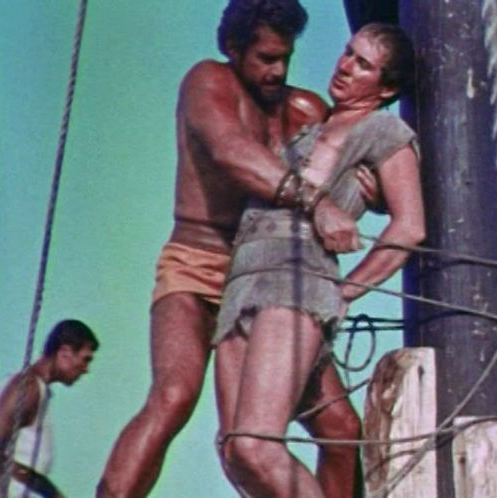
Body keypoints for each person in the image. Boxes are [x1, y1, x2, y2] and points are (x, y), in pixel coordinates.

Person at [97, 2, 371, 497]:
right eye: (266, 58)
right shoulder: (207, 83)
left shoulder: (304, 110)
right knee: (175, 395)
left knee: (341, 429)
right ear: (233, 48)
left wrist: (378, 177)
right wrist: (317, 201)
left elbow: (360, 153)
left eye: (286, 58)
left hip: (272, 279)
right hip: (198, 265)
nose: (278, 71)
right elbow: (231, 152)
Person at [215, 22, 425, 498]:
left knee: (255, 445)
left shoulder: (384, 131)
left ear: (385, 89)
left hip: (296, 281)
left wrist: (346, 290)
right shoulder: (311, 128)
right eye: (349, 53)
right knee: (234, 454)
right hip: (244, 278)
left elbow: (410, 226)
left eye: (364, 65)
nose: (346, 67)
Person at [0, 319, 99, 498]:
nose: (86, 369)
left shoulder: (39, 390)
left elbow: (21, 468)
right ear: (64, 352)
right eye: (85, 359)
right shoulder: (28, 388)